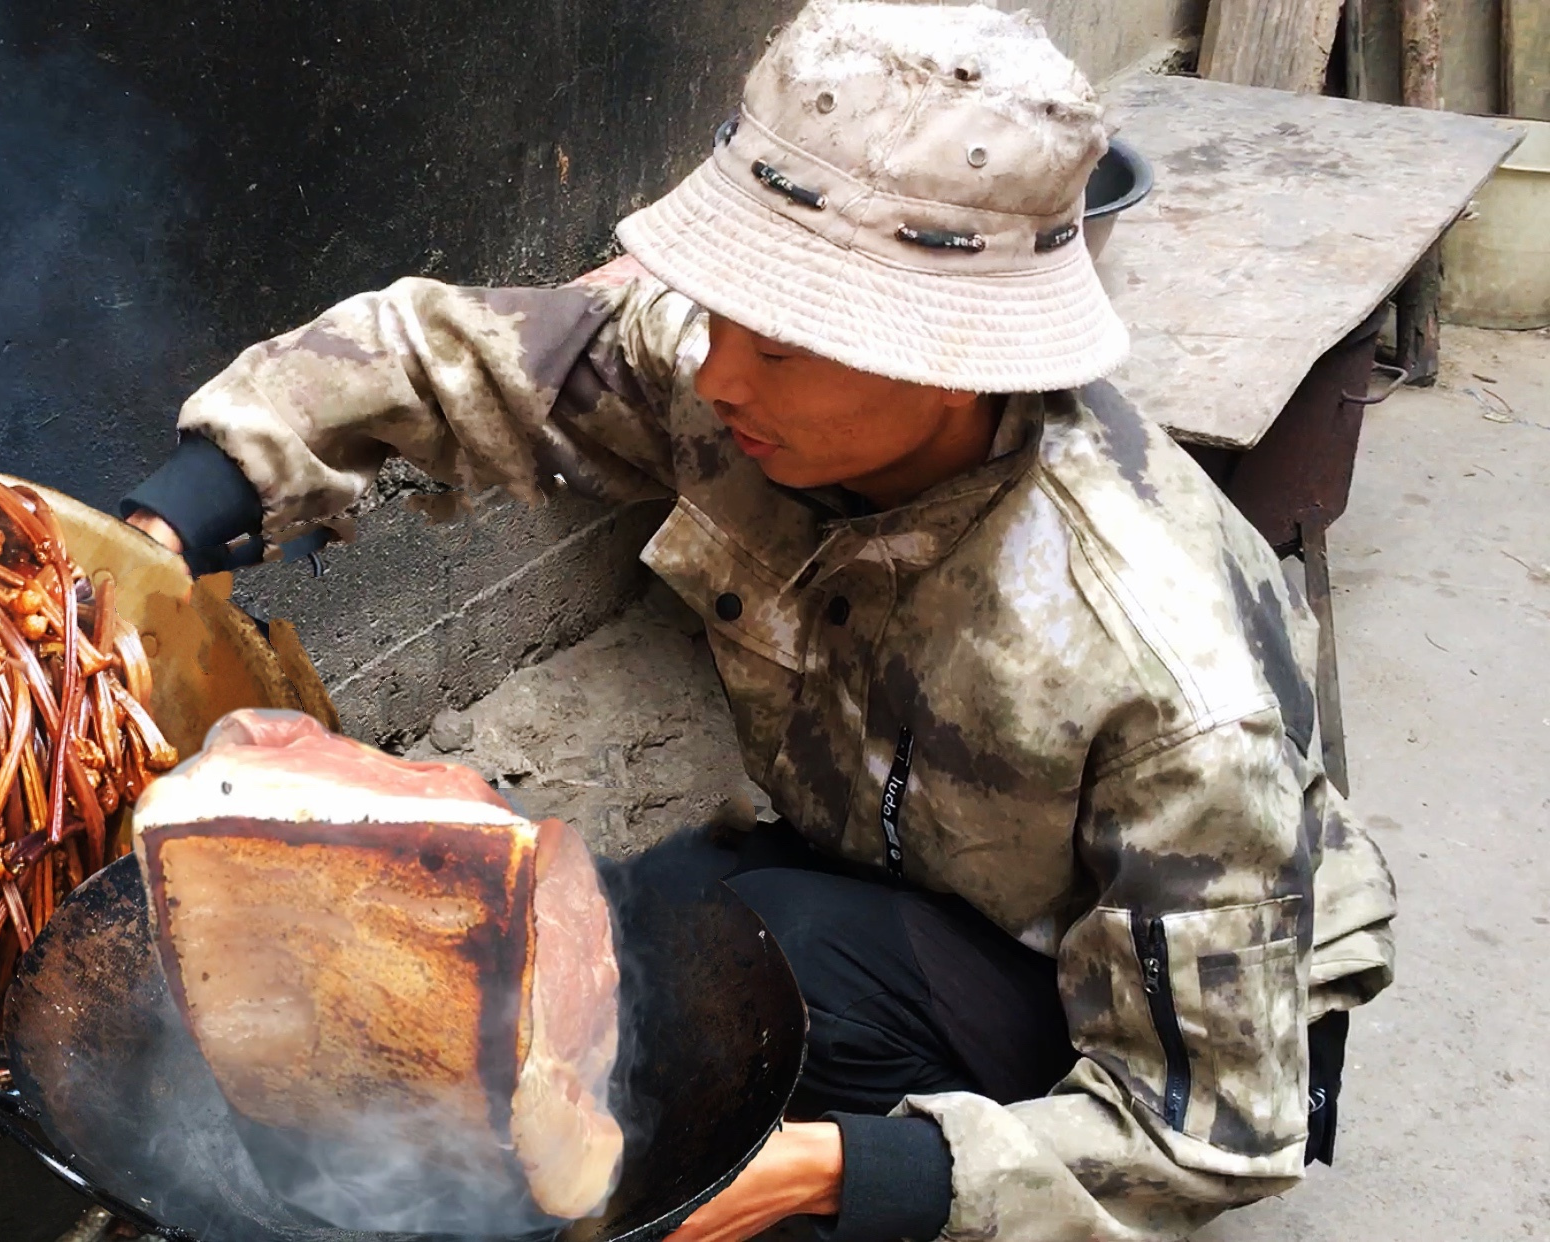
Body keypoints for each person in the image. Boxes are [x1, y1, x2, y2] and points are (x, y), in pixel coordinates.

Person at [118, 4, 1398, 1240]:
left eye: (781, 341)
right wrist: (174, 520)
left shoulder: (1161, 674)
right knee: (618, 937)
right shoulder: (745, 376)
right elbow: (435, 349)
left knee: (769, 1001)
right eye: (725, 312)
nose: (721, 374)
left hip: (1157, 984)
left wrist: (827, 1172)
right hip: (914, 852)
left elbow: (1212, 1135)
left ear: (953, 354)